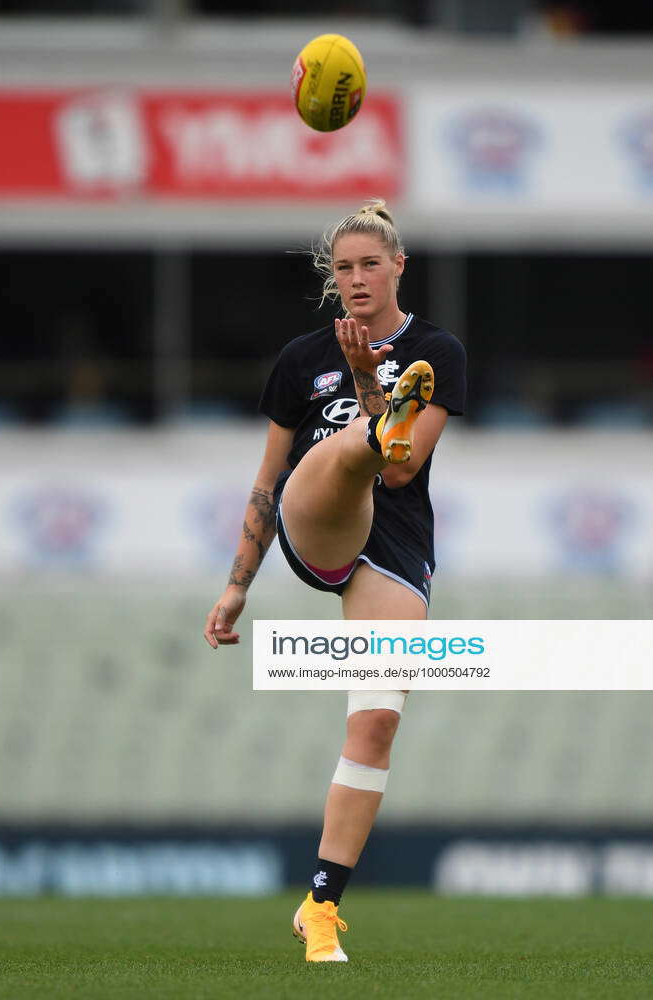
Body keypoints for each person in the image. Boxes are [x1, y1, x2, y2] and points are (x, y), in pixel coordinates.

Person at [204, 200, 466, 962]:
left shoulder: (437, 349)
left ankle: (319, 906)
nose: (354, 279)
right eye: (342, 268)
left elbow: (406, 469)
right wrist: (236, 586)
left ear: (397, 268)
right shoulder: (300, 359)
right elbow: (264, 483)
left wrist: (372, 388)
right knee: (349, 455)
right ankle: (372, 420)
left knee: (377, 722)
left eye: (368, 265)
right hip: (314, 515)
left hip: (392, 542)